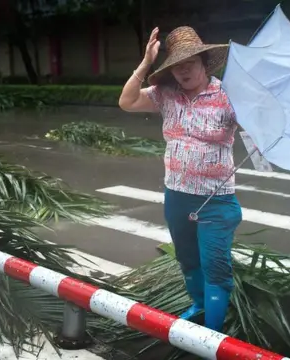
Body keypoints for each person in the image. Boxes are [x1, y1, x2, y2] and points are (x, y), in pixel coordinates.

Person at [117, 26, 242, 332]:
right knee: (188, 260)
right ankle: (199, 306)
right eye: (177, 65)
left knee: (215, 267)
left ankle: (211, 336)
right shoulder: (166, 95)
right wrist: (146, 63)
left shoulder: (229, 96)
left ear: (204, 62)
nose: (184, 70)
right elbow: (127, 102)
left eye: (190, 62)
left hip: (216, 200)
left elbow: (260, 127)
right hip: (177, 196)